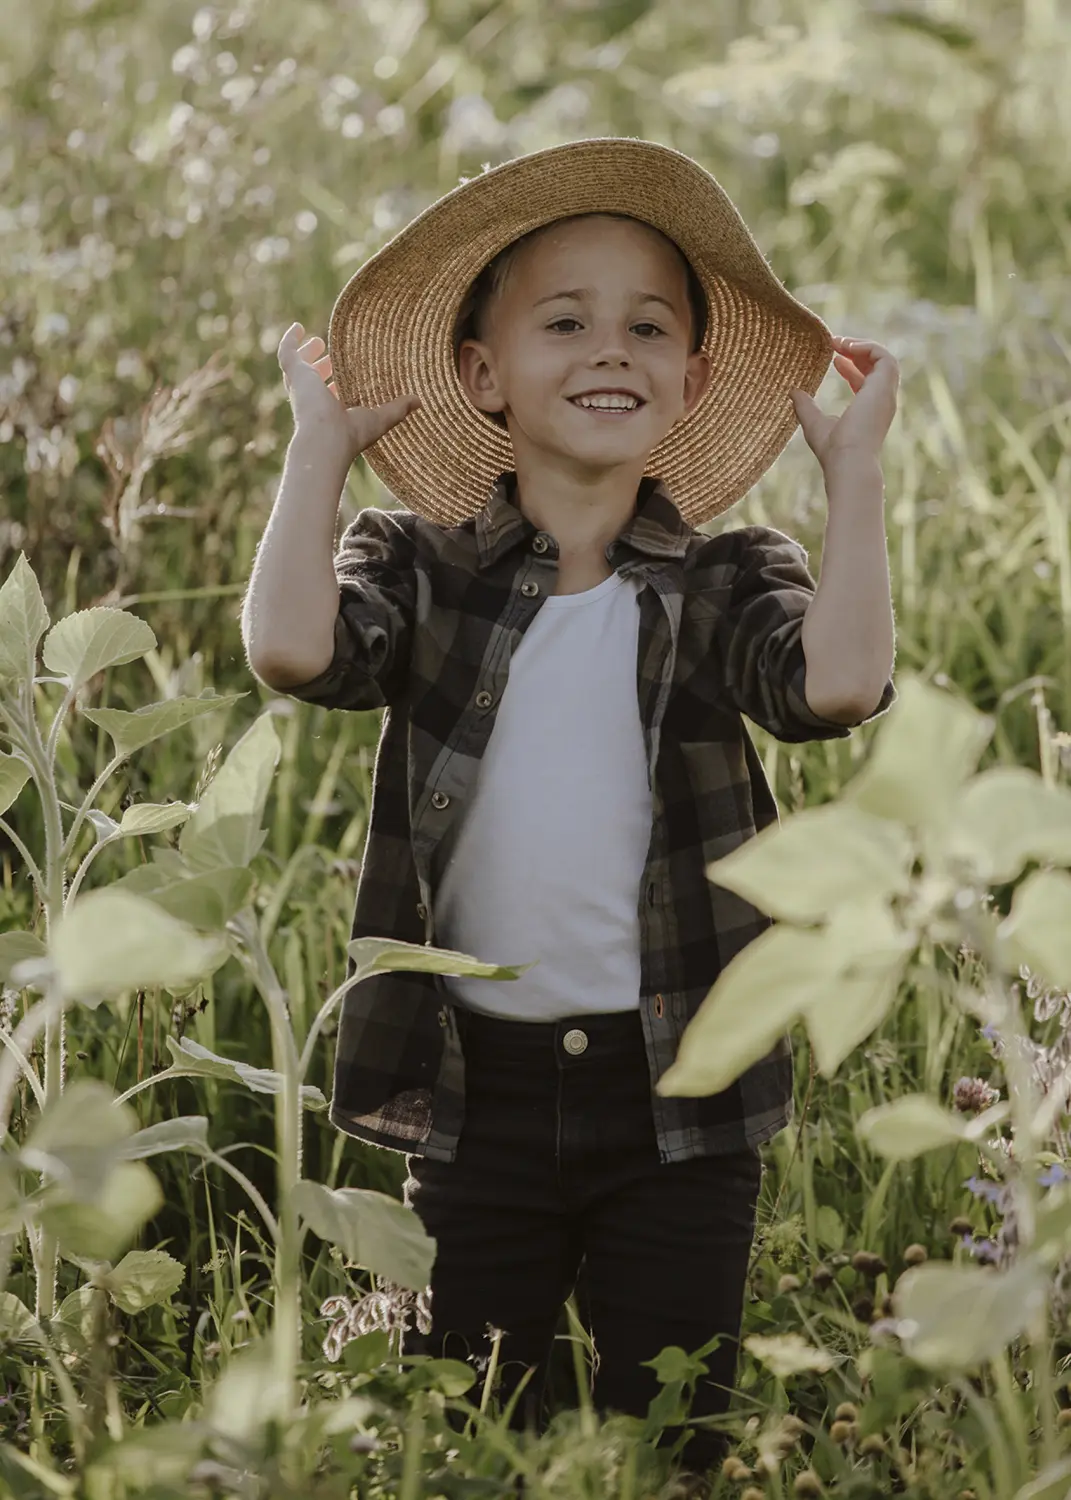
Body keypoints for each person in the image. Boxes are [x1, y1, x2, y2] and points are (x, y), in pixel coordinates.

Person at [241, 137, 897, 1485]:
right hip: (476, 1091)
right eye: (564, 320)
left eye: (647, 326)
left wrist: (855, 481)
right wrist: (316, 455)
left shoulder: (724, 581)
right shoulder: (415, 569)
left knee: (676, 1428)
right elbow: (291, 651)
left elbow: (839, 687)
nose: (611, 348)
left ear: (694, 381)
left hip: (678, 1097)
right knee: (483, 1430)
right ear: (480, 375)